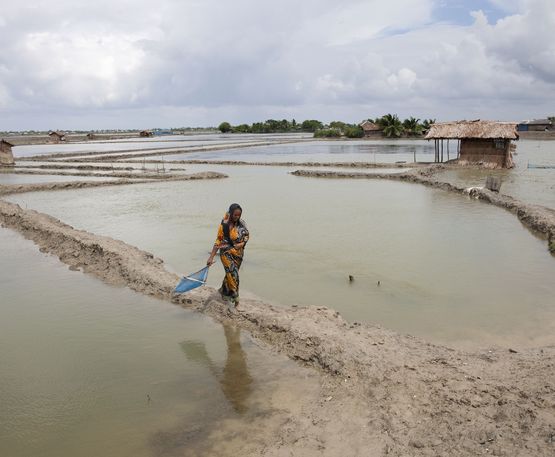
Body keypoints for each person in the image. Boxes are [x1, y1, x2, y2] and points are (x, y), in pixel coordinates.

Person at [207, 203, 249, 310]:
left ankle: (224, 292)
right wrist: (211, 257)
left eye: (239, 215)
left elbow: (247, 236)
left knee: (229, 276)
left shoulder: (242, 224)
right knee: (233, 274)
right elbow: (218, 241)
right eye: (235, 215)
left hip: (238, 254)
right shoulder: (224, 225)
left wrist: (242, 244)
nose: (237, 217)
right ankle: (235, 300)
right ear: (230, 213)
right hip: (225, 252)